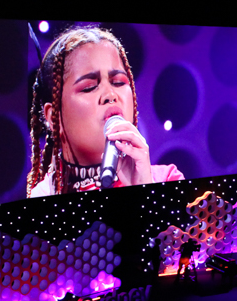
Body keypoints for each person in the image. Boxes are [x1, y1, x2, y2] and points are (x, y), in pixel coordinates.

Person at [27, 26, 184, 196]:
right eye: (89, 87)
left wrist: (144, 188)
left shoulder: (166, 179)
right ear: (54, 116)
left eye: (118, 82)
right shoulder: (42, 195)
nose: (110, 95)